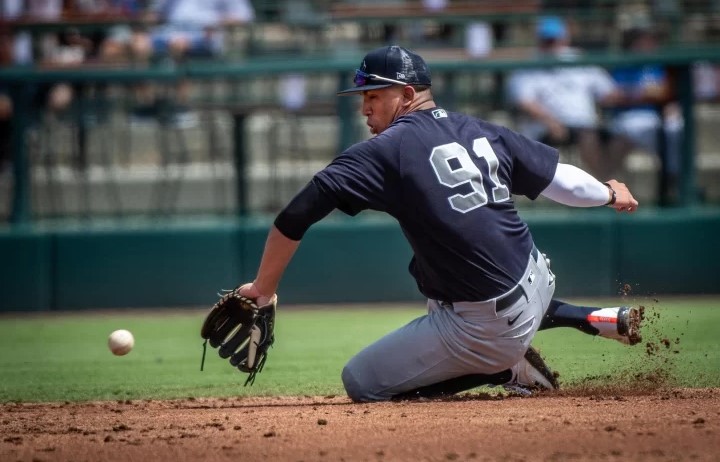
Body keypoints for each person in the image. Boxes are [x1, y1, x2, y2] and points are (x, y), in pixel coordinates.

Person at [235, 45, 641, 402]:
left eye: (374, 96)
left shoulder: (383, 151)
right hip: (536, 276)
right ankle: (584, 317)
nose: (365, 109)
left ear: (407, 94)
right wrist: (608, 192)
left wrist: (263, 289)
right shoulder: (479, 128)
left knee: (361, 382)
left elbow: (293, 217)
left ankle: (505, 369)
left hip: (489, 325)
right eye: (363, 97)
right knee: (436, 277)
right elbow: (563, 181)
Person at [506, 16, 630, 180]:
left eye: (554, 40)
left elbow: (608, 93)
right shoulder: (529, 66)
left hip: (585, 124)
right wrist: (550, 122)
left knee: (623, 136)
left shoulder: (580, 60)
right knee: (587, 137)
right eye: (546, 40)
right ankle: (602, 190)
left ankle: (604, 187)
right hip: (547, 128)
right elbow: (525, 101)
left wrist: (637, 92)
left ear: (564, 39)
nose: (551, 45)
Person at [609, 26, 683, 204]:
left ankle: (673, 182)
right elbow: (614, 97)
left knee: (677, 128)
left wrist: (669, 104)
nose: (649, 44)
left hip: (657, 115)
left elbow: (668, 93)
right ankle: (670, 184)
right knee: (659, 134)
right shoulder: (623, 65)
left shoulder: (658, 66)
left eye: (651, 40)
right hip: (630, 117)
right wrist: (644, 94)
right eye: (643, 40)